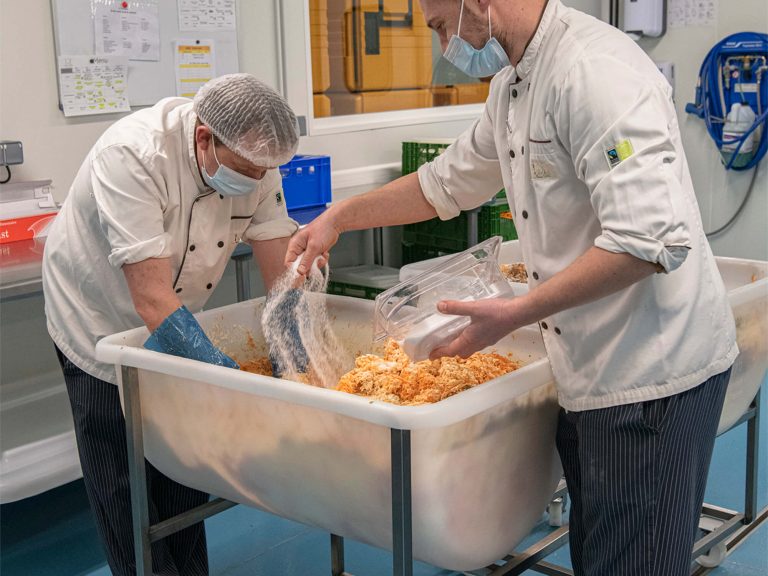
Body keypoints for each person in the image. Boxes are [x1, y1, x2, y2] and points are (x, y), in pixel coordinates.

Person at [287, 1, 738, 574]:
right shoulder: (514, 84)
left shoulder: (595, 72)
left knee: (634, 560)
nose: (444, 44)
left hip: (650, 372)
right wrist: (340, 217)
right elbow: (444, 183)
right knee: (604, 551)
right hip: (586, 363)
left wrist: (516, 312)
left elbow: (648, 239)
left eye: (442, 25)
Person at [43, 73, 300, 575]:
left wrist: (296, 355)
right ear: (205, 138)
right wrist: (230, 381)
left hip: (177, 315)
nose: (257, 180)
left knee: (181, 463)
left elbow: (280, 277)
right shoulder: (134, 156)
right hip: (95, 319)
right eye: (247, 172)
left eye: (264, 172)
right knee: (120, 472)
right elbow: (151, 300)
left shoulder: (256, 159)